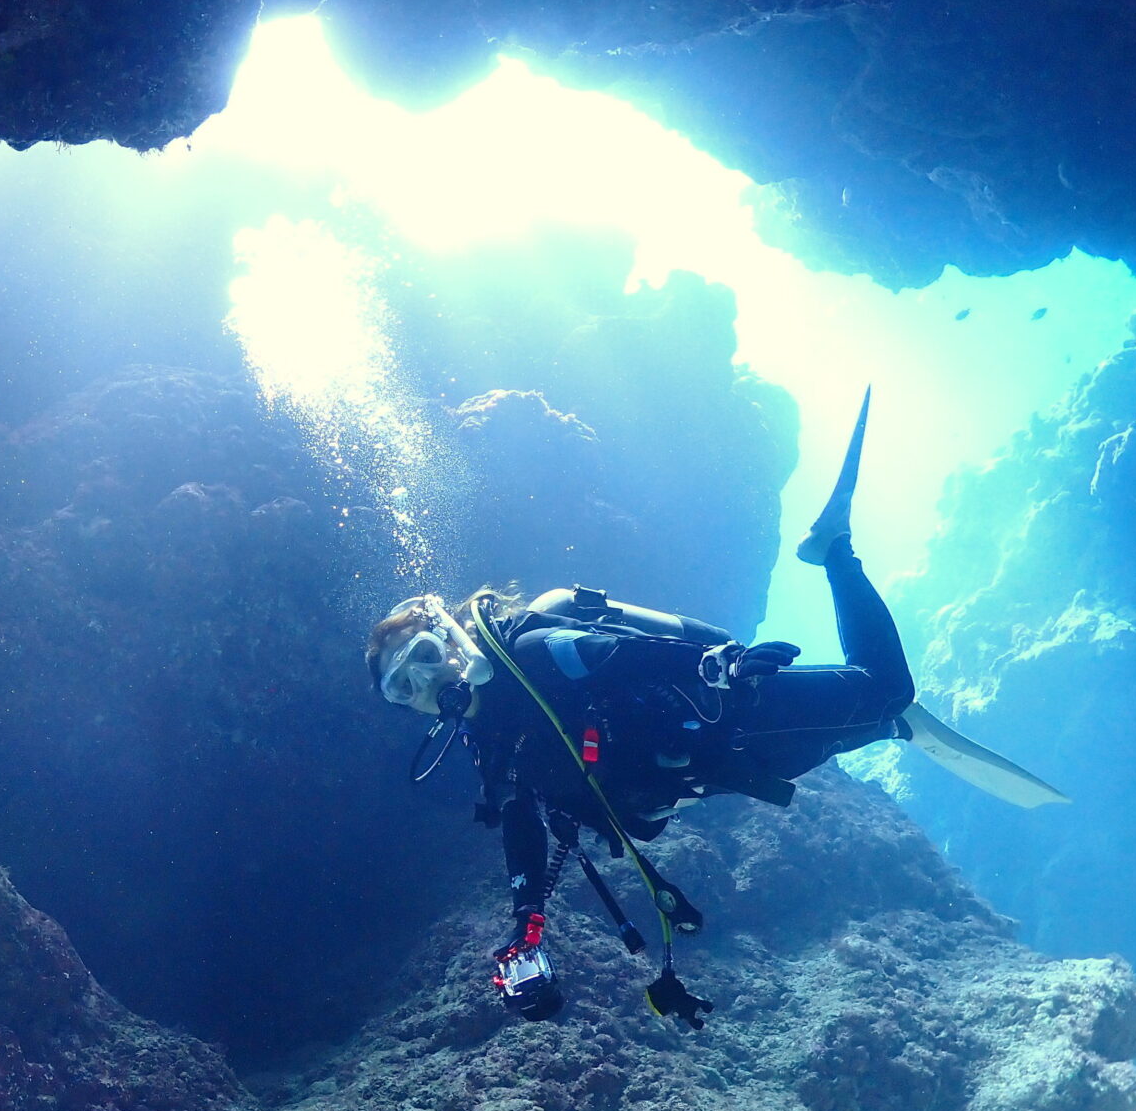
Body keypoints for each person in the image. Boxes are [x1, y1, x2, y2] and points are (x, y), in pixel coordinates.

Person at [364, 391, 1061, 1027]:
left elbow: (615, 656)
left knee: (884, 689)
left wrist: (715, 665)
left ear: (448, 636)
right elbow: (521, 825)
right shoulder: (489, 745)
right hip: (716, 767)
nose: (427, 685)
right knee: (858, 723)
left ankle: (834, 553)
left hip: (728, 711)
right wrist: (526, 925)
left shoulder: (532, 650)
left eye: (425, 657)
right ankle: (883, 722)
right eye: (405, 689)